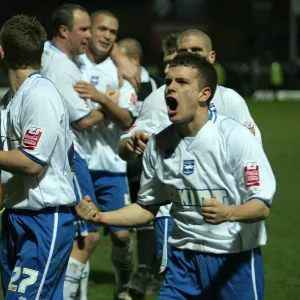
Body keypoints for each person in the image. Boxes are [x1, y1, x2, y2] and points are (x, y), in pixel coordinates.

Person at [76, 52, 276, 299]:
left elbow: (262, 206)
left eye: (182, 82)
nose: (170, 88)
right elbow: (147, 207)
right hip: (182, 262)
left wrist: (230, 213)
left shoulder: (235, 138)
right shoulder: (158, 144)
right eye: (169, 81)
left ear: (204, 94)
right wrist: (101, 216)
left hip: (233, 260)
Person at [118, 29, 263, 277]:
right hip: (174, 211)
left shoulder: (231, 100)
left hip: (221, 213)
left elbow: (253, 154)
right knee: (178, 282)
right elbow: (125, 146)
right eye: (185, 52)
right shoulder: (158, 99)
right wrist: (130, 145)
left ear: (212, 57)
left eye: (197, 51)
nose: (192, 56)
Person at [0, 14, 76, 299]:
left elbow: (31, 163)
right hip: (16, 215)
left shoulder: (40, 94)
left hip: (45, 218)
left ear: (2, 51)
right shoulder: (10, 101)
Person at [72, 10, 137, 300]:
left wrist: (98, 99)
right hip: (80, 162)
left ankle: (123, 282)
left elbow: (126, 119)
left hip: (112, 164)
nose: (106, 35)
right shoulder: (73, 63)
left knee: (122, 236)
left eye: (113, 31)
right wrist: (106, 105)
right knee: (85, 235)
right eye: (102, 29)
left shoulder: (120, 70)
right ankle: (73, 293)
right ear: (89, 30)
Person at [116, 37, 165, 297]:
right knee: (133, 224)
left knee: (151, 216)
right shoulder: (115, 82)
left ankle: (151, 271)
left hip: (144, 164)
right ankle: (141, 270)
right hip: (120, 159)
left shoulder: (155, 86)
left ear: (134, 60)